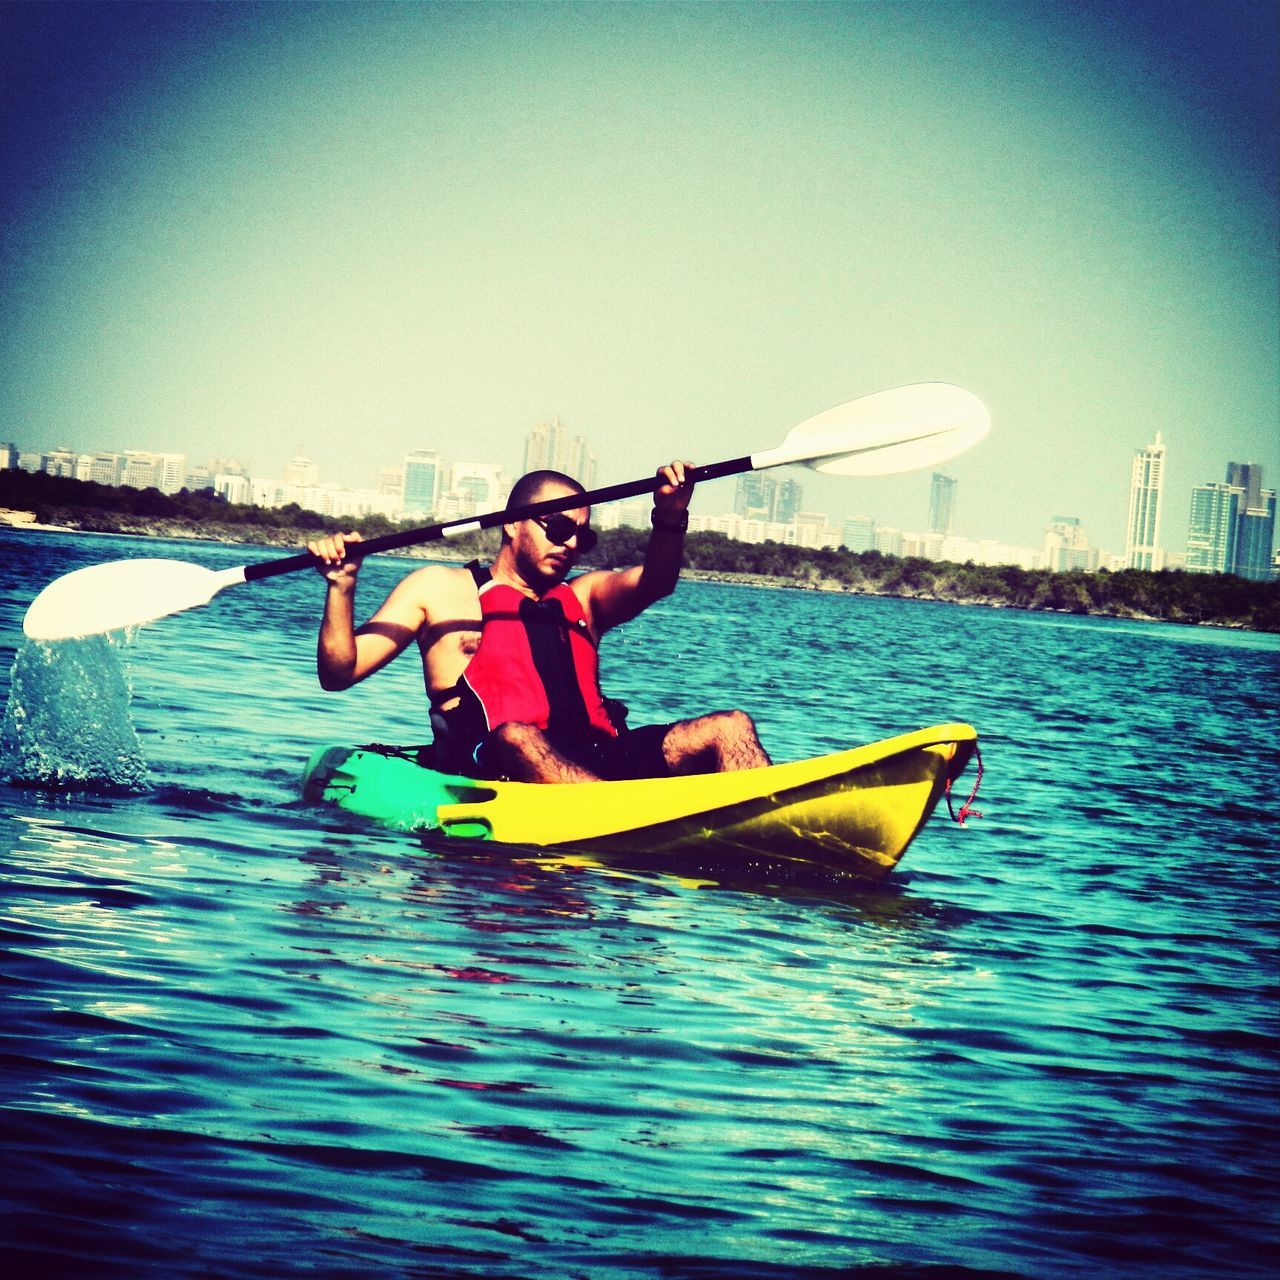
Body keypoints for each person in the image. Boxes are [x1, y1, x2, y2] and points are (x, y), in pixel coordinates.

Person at [307, 463, 771, 783]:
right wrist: (342, 586)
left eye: (582, 535)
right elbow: (339, 673)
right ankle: (618, 819)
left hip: (597, 758)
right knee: (517, 735)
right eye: (557, 528)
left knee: (730, 726)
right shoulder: (439, 589)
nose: (570, 544)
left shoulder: (585, 598)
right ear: (513, 525)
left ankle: (772, 821)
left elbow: (657, 581)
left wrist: (670, 515)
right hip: (495, 760)